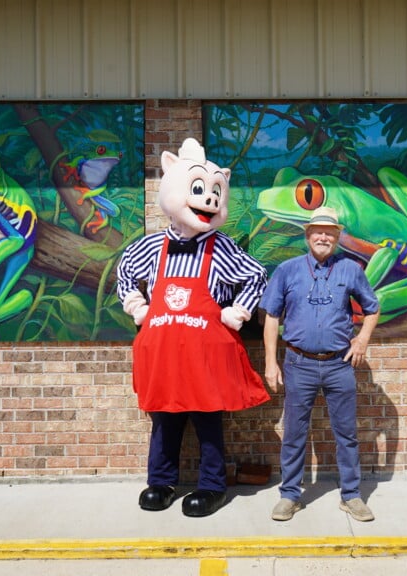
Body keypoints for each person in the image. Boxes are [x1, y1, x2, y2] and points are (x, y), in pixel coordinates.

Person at [116, 138, 270, 518]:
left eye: (216, 192)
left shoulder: (222, 248)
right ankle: (161, 481)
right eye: (199, 190)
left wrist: (238, 312)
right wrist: (137, 306)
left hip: (204, 359)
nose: (209, 200)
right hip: (164, 356)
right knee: (165, 419)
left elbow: (256, 276)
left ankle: (211, 485)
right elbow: (124, 271)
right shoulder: (151, 247)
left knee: (207, 421)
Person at [259, 206, 380, 522]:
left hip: (339, 364)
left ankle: (352, 496)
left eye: (330, 232)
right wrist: (271, 363)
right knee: (295, 432)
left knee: (346, 433)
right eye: (318, 231)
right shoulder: (287, 270)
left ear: (338, 237)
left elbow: (372, 308)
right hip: (299, 363)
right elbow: (272, 317)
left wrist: (362, 340)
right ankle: (290, 495)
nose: (324, 236)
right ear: (308, 234)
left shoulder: (351, 269)